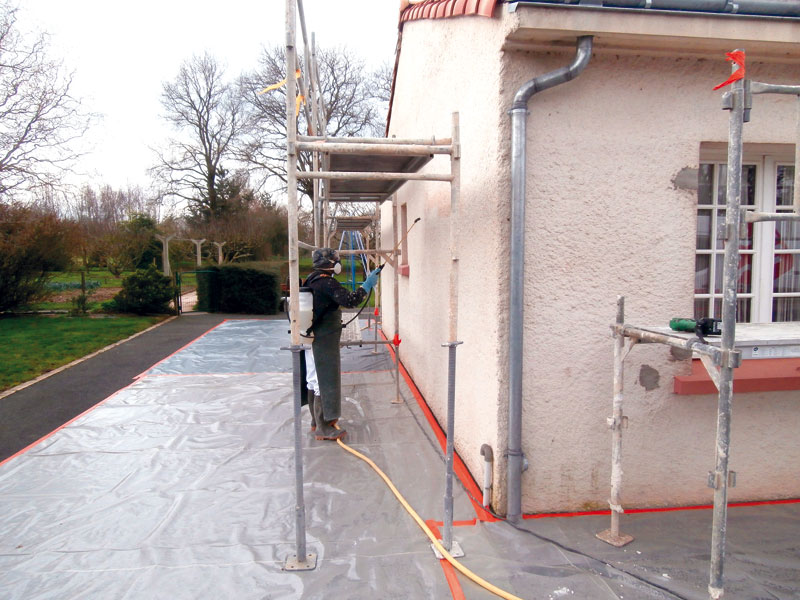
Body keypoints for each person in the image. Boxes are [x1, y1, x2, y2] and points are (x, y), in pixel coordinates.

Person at [303, 248, 380, 440]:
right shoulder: (327, 282)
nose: (339, 263)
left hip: (310, 337)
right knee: (324, 379)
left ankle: (316, 422)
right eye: (336, 260)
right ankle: (324, 427)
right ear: (330, 264)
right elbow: (350, 300)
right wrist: (367, 285)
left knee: (313, 378)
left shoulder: (311, 278)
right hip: (323, 338)